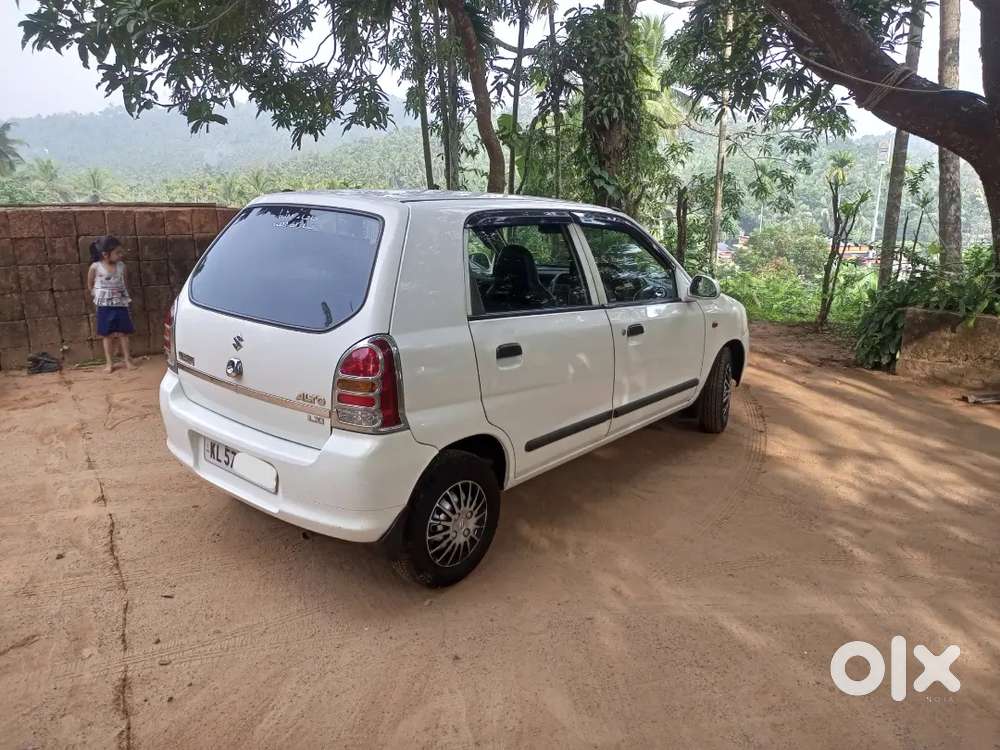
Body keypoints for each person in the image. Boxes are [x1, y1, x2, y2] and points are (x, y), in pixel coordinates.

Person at [87, 235, 137, 373]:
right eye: (117, 253)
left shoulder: (122, 267)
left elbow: (125, 283)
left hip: (120, 304)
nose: (121, 255)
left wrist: (125, 297)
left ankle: (127, 359)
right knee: (106, 334)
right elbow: (90, 284)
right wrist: (97, 295)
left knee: (124, 333)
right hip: (104, 305)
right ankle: (109, 362)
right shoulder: (95, 267)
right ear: (105, 254)